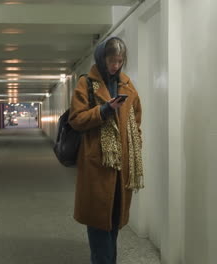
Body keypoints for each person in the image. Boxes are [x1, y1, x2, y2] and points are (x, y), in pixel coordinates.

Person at [68, 36, 144, 264]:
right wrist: (104, 110)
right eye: (112, 61)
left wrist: (136, 144)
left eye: (120, 61)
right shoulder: (86, 84)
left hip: (122, 167)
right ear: (102, 59)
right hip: (98, 164)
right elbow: (76, 119)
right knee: (99, 225)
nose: (115, 66)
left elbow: (136, 121)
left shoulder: (128, 86)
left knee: (113, 222)